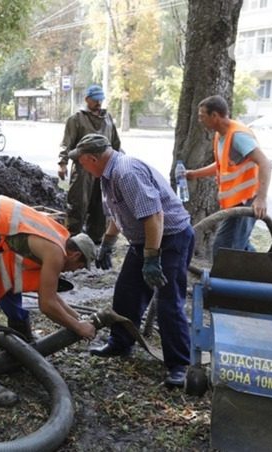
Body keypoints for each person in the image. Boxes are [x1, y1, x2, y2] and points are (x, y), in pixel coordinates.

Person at [69, 134, 193, 387]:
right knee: (127, 292)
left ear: (93, 158)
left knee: (168, 300)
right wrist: (108, 242)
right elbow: (120, 212)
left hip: (170, 238)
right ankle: (120, 344)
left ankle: (179, 364)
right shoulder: (108, 175)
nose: (81, 167)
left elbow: (154, 217)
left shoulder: (126, 173)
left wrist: (151, 258)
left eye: (82, 162)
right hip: (145, 240)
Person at [0, 195, 97, 405]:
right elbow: (46, 305)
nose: (76, 272)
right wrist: (78, 327)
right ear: (75, 256)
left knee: (10, 282)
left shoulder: (60, 239)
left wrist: (78, 317)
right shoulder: (56, 253)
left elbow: (50, 295)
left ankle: (21, 338)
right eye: (80, 267)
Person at [186, 95, 272, 256]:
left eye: (202, 116)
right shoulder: (221, 135)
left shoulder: (238, 136)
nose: (200, 120)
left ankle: (225, 278)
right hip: (235, 202)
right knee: (239, 246)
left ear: (215, 116)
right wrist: (194, 174)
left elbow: (265, 163)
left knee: (224, 249)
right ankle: (264, 272)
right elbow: (221, 165)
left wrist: (261, 199)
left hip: (247, 201)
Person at [58, 84, 121, 245]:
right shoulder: (76, 119)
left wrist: (119, 161)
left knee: (101, 204)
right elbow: (67, 143)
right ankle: (73, 239)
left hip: (105, 168)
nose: (98, 103)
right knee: (78, 203)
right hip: (83, 169)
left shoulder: (107, 119)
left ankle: (96, 238)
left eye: (101, 100)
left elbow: (115, 143)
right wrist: (62, 163)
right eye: (95, 100)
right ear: (87, 99)